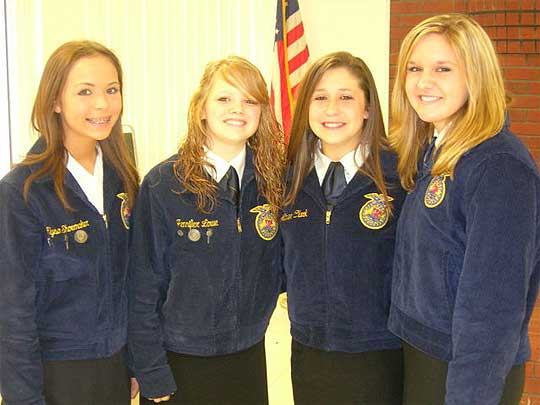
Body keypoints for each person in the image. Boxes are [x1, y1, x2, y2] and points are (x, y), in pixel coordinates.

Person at [388, 13, 540, 405]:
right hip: (425, 355)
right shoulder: (435, 150)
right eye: (415, 68)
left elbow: (494, 306)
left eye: (443, 69)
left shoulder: (498, 165)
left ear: (476, 76)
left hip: (467, 370)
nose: (423, 82)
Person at [128, 56, 284, 404]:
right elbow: (142, 286)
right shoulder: (164, 185)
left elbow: (282, 268)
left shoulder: (273, 184)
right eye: (224, 98)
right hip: (180, 362)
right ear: (201, 108)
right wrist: (150, 370)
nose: (238, 109)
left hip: (248, 357)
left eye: (250, 100)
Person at [0, 40, 140, 405]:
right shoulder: (22, 193)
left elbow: (132, 281)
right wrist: (24, 399)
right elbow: (12, 314)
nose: (102, 104)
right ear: (55, 101)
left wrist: (135, 362)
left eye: (112, 90)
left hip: (115, 367)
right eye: (85, 92)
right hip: (56, 376)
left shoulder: (123, 179)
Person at [281, 51, 406, 404]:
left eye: (346, 97)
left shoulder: (399, 178)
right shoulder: (288, 181)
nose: (331, 110)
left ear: (367, 108)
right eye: (320, 98)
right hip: (309, 353)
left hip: (379, 353)